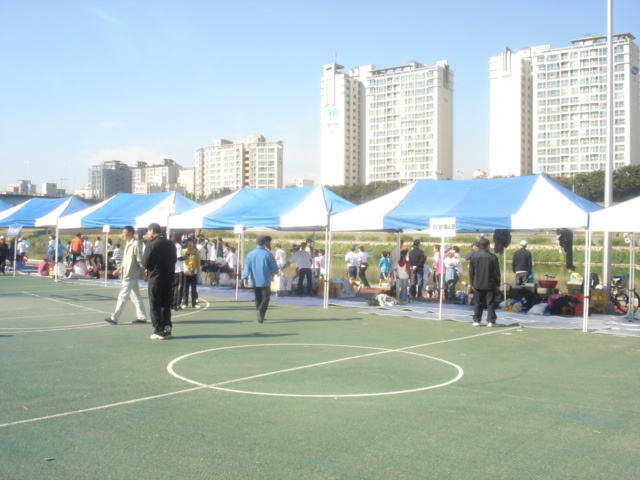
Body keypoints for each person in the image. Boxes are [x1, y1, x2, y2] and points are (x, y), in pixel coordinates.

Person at [104, 226, 148, 325]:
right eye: (122, 233)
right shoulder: (127, 244)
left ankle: (114, 317)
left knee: (122, 296)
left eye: (125, 232)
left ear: (131, 233)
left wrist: (144, 274)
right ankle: (142, 317)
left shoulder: (136, 244)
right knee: (136, 297)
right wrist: (118, 269)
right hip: (126, 273)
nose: (123, 235)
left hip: (131, 274)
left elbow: (140, 260)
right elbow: (125, 260)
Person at [142, 223, 177, 340]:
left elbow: (145, 262)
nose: (147, 234)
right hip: (169, 278)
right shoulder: (170, 244)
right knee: (166, 304)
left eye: (148, 231)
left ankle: (158, 330)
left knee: (155, 305)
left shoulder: (151, 244)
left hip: (156, 278)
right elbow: (174, 260)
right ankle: (167, 326)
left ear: (152, 230)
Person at [243, 235, 279, 323]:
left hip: (254, 280)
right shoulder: (268, 254)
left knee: (258, 298)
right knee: (266, 297)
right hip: (265, 279)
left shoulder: (250, 254)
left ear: (256, 243)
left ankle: (259, 312)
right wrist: (276, 272)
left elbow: (247, 266)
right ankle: (261, 311)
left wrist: (245, 278)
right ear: (265, 243)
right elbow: (274, 267)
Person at [469, 237, 501, 327]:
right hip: (490, 283)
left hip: (477, 283)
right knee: (490, 303)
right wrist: (498, 283)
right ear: (488, 246)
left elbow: (471, 272)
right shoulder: (492, 257)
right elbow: (496, 272)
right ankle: (491, 321)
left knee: (478, 302)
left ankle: (476, 320)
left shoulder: (474, 257)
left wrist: (472, 283)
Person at [182, 237, 201, 309]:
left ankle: (194, 303)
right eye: (188, 243)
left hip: (194, 271)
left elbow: (198, 262)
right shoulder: (183, 251)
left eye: (191, 242)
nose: (189, 244)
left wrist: (198, 272)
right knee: (185, 288)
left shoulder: (196, 252)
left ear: (193, 243)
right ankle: (184, 303)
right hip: (186, 271)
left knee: (194, 288)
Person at [171, 233, 186, 311]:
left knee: (173, 287)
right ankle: (176, 304)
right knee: (179, 287)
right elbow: (179, 257)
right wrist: (186, 257)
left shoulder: (171, 245)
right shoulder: (178, 246)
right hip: (179, 269)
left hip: (173, 268)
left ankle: (172, 303)